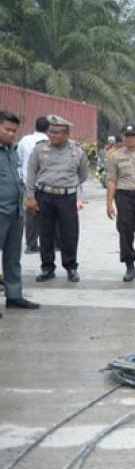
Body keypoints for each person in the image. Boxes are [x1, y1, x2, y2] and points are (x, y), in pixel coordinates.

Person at [25, 114, 88, 283]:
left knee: (69, 234)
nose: (52, 135)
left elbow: (82, 175)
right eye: (51, 131)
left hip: (67, 198)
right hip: (44, 196)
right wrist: (30, 196)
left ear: (66, 133)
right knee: (45, 233)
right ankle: (47, 268)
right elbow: (31, 173)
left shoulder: (77, 151)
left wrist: (66, 185)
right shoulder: (39, 149)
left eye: (57, 132)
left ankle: (71, 267)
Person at [0, 111, 40, 316]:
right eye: (7, 130)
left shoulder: (12, 151)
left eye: (15, 131)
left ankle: (14, 295)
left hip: (15, 212)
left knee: (13, 257)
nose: (12, 134)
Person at [105, 124, 135, 284]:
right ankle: (129, 265)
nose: (129, 139)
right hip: (124, 195)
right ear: (122, 137)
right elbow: (111, 180)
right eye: (126, 135)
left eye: (133, 135)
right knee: (125, 231)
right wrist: (109, 204)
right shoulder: (115, 156)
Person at [16, 115, 49, 254]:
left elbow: (18, 159)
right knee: (49, 214)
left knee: (31, 214)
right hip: (46, 183)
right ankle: (51, 244)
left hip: (27, 182)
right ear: (49, 128)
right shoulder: (50, 141)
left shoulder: (24, 140)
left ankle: (31, 245)